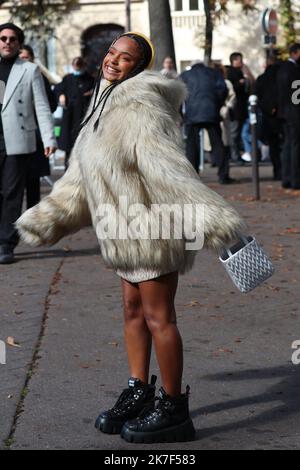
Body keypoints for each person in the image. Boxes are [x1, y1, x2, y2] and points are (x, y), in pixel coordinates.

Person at [16, 32, 245, 443]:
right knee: (132, 311)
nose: (113, 62)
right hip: (122, 228)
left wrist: (216, 220)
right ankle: (140, 391)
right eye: (111, 53)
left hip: (155, 226)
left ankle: (175, 409)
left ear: (139, 67)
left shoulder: (138, 104)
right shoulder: (104, 98)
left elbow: (171, 171)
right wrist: (48, 217)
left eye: (125, 58)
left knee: (160, 317)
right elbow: (82, 173)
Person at [0, 23, 56, 264]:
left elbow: (42, 106)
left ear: (19, 43)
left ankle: (6, 244)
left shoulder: (30, 69)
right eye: (2, 38)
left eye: (12, 39)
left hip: (17, 138)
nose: (7, 42)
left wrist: (49, 138)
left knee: (13, 193)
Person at [180, 60, 234, 184]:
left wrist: (179, 113)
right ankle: (223, 175)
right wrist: (217, 104)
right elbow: (223, 89)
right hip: (211, 112)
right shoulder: (214, 73)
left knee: (191, 145)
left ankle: (193, 176)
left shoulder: (185, 75)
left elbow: (178, 94)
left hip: (192, 113)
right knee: (218, 144)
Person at [19, 44, 57, 208]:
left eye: (26, 57)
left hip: (34, 135)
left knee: (32, 180)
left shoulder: (39, 77)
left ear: (32, 59)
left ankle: (31, 215)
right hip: (11, 137)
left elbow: (50, 105)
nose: (22, 60)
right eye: (20, 57)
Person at [55, 57, 94, 169]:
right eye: (75, 66)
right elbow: (58, 89)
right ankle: (67, 171)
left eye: (79, 67)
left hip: (83, 117)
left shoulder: (90, 79)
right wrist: (61, 95)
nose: (77, 69)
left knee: (83, 148)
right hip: (69, 118)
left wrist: (90, 94)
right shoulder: (67, 78)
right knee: (69, 149)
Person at [277, 43, 300, 189]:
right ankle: (295, 179)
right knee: (295, 145)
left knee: (287, 145)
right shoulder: (294, 70)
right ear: (295, 53)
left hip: (285, 112)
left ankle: (286, 177)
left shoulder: (282, 69)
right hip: (294, 112)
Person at [227, 52, 254, 163]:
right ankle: (235, 155)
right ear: (234, 61)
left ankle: (239, 154)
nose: (242, 62)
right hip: (236, 109)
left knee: (242, 133)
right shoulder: (231, 73)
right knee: (234, 133)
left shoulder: (241, 72)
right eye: (240, 60)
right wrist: (240, 82)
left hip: (242, 108)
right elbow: (232, 89)